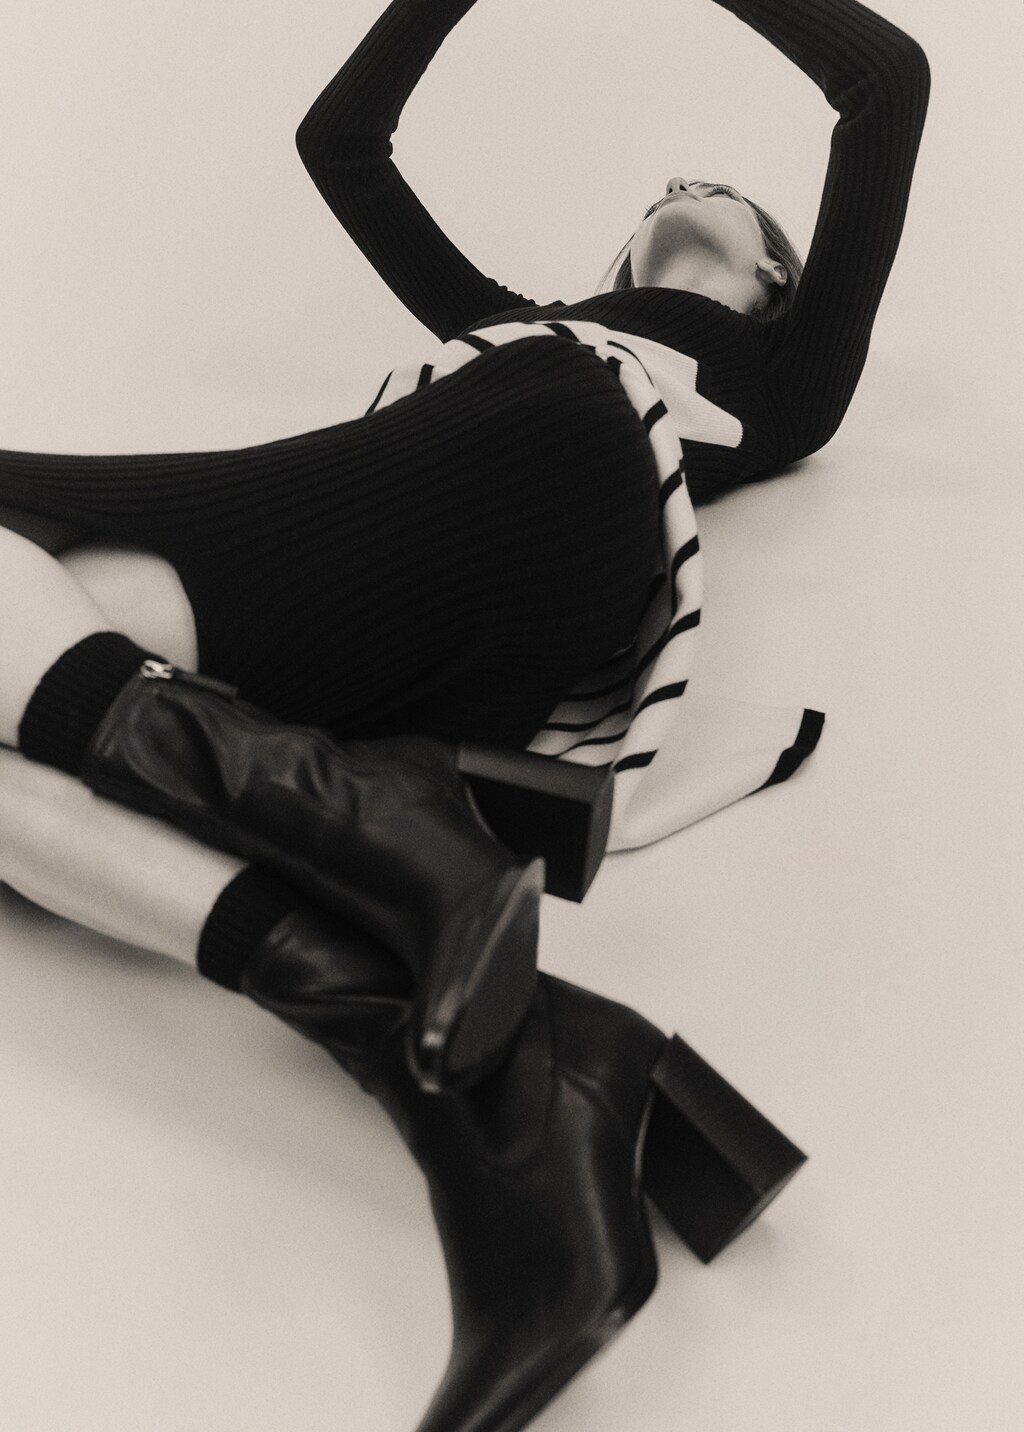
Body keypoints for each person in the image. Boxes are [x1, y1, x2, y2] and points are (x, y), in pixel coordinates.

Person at [0, 0, 928, 1427]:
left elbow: (885, 82)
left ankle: (404, 846)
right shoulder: (507, 326)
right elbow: (340, 145)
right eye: (660, 191)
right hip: (377, 546)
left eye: (715, 191)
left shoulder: (783, 385)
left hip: (545, 478)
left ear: (778, 277)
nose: (678, 186)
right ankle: (517, 1089)